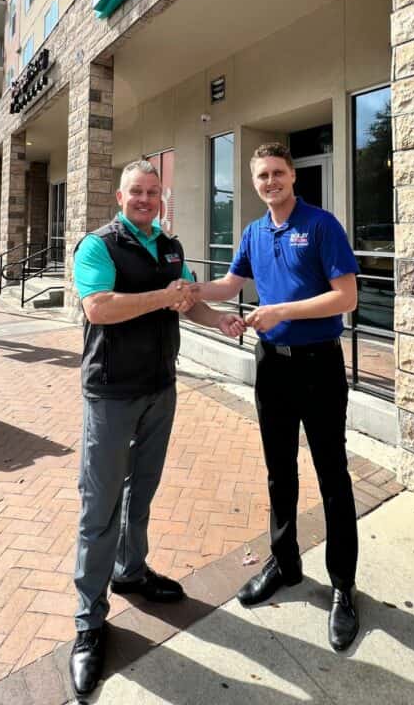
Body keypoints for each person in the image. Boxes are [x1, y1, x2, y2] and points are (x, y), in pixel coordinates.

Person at [70, 159, 245, 698]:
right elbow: (98, 308)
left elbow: (188, 303)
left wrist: (222, 320)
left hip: (159, 389)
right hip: (110, 393)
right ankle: (88, 621)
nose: (145, 199)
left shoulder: (169, 246)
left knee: (140, 491)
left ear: (160, 198)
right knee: (99, 505)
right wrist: (164, 297)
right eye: (136, 192)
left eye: (152, 192)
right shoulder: (97, 246)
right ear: (120, 197)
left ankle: (132, 570)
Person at [193, 142, 360, 652]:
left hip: (320, 365)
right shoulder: (253, 231)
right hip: (272, 367)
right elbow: (229, 284)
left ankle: (343, 587)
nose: (270, 182)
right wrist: (187, 291)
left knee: (332, 472)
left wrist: (281, 309)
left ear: (292, 176)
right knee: (279, 470)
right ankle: (285, 564)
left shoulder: (322, 224)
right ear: (254, 182)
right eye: (262, 176)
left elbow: (346, 297)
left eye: (278, 173)